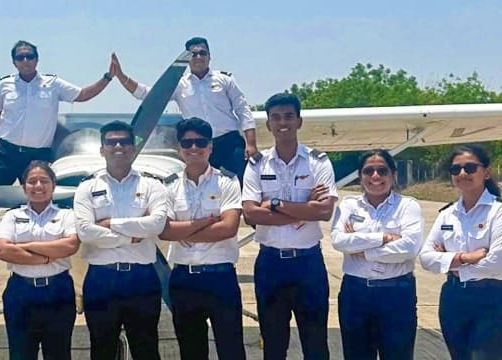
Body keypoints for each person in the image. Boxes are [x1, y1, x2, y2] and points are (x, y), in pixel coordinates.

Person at [241, 93, 338, 359]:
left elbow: (325, 210)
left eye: (288, 116)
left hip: (308, 264)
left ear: (299, 121)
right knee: (273, 342)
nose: (282, 122)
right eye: (276, 117)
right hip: (271, 263)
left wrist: (272, 203)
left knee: (316, 340)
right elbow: (250, 214)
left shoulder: (318, 161)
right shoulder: (256, 165)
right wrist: (304, 209)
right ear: (269, 125)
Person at [73, 120, 170, 360]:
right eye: (111, 142)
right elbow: (86, 232)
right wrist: (134, 235)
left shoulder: (152, 186)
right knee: (101, 349)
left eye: (125, 142)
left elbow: (156, 224)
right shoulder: (86, 188)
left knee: (146, 348)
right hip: (101, 279)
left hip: (142, 279)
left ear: (134, 148)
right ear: (102, 149)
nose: (118, 146)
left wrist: (110, 225)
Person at [419, 144, 502, 360]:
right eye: (456, 169)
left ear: (486, 172)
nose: (463, 173)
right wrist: (465, 258)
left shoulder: (501, 211)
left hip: (494, 299)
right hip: (454, 299)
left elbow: (498, 261)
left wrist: (452, 265)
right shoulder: (447, 214)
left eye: (470, 168)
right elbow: (426, 257)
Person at [110, 36, 257, 182]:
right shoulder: (178, 85)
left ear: (210, 56)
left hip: (229, 143)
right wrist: (121, 77)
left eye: (202, 53)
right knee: (200, 185)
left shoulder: (225, 79)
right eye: (193, 54)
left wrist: (251, 143)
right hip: (199, 146)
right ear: (187, 58)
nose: (198, 57)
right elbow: (148, 95)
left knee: (243, 181)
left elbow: (242, 109)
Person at [158, 118, 246, 360]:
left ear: (210, 147)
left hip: (221, 278)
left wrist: (184, 231)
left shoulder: (228, 181)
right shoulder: (168, 186)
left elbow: (228, 228)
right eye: (187, 143)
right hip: (183, 279)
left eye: (200, 142)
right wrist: (204, 223)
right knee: (191, 351)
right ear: (179, 149)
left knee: (232, 349)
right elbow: (164, 230)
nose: (194, 148)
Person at [330, 149, 423, 360]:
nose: (375, 177)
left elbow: (408, 248)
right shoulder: (348, 205)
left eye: (382, 171)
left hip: (396, 292)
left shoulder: (408, 206)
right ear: (360, 175)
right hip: (356, 292)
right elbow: (339, 241)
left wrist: (364, 250)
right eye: (368, 171)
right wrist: (382, 238)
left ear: (393, 174)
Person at [0, 40, 116, 186]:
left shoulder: (53, 84)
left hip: (37, 156)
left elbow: (83, 94)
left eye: (29, 56)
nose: (25, 61)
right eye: (20, 57)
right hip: (5, 152)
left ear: (37, 59)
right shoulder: (4, 85)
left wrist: (107, 78)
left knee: (37, 197)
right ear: (14, 62)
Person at [0, 162, 81, 360]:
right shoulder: (12, 216)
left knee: (59, 354)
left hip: (58, 292)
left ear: (53, 185)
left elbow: (69, 246)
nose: (38, 186)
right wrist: (48, 257)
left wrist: (24, 246)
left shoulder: (66, 215)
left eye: (44, 181)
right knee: (20, 354)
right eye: (32, 182)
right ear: (24, 186)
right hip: (21, 293)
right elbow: (3, 250)